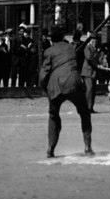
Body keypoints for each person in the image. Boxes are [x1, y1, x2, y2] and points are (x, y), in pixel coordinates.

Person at [39, 24, 94, 158]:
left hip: (55, 86)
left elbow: (43, 74)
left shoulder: (48, 51)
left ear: (52, 39)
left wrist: (44, 89)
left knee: (53, 115)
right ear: (63, 37)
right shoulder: (71, 48)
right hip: (73, 83)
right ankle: (87, 146)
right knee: (84, 113)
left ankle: (50, 148)